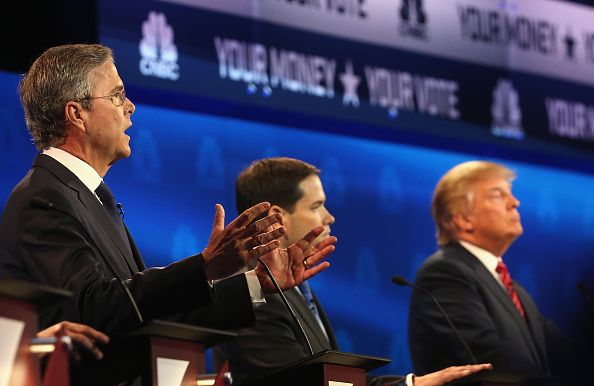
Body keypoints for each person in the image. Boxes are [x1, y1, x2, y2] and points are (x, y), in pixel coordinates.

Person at [0, 44, 336, 384]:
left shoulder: (86, 197)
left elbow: (151, 319)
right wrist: (204, 266)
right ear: (76, 113)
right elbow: (91, 311)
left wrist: (254, 284)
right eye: (116, 96)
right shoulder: (45, 197)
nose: (130, 107)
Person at [214, 157, 491, 386]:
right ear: (278, 217)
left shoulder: (293, 287)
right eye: (316, 206)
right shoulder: (249, 294)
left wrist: (413, 383)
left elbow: (332, 380)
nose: (329, 217)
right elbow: (302, 382)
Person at [407, 160, 574, 384]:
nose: (514, 202)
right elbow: (492, 364)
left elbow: (568, 355)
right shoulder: (444, 273)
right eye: (498, 195)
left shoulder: (515, 291)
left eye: (510, 194)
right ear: (463, 219)